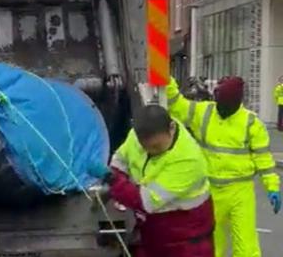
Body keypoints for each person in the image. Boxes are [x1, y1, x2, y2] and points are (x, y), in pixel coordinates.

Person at [166, 76, 281, 257]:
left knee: (245, 246)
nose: (221, 107)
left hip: (240, 192)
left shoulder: (251, 123)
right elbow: (177, 104)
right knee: (211, 245)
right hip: (210, 191)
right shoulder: (204, 112)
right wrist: (166, 79)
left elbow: (264, 160)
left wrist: (272, 187)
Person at [89, 105, 214, 257]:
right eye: (145, 147)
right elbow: (121, 160)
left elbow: (146, 202)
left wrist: (112, 180)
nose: (151, 152)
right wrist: (112, 176)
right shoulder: (136, 136)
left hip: (186, 238)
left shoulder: (188, 160)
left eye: (156, 146)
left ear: (172, 128)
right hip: (154, 232)